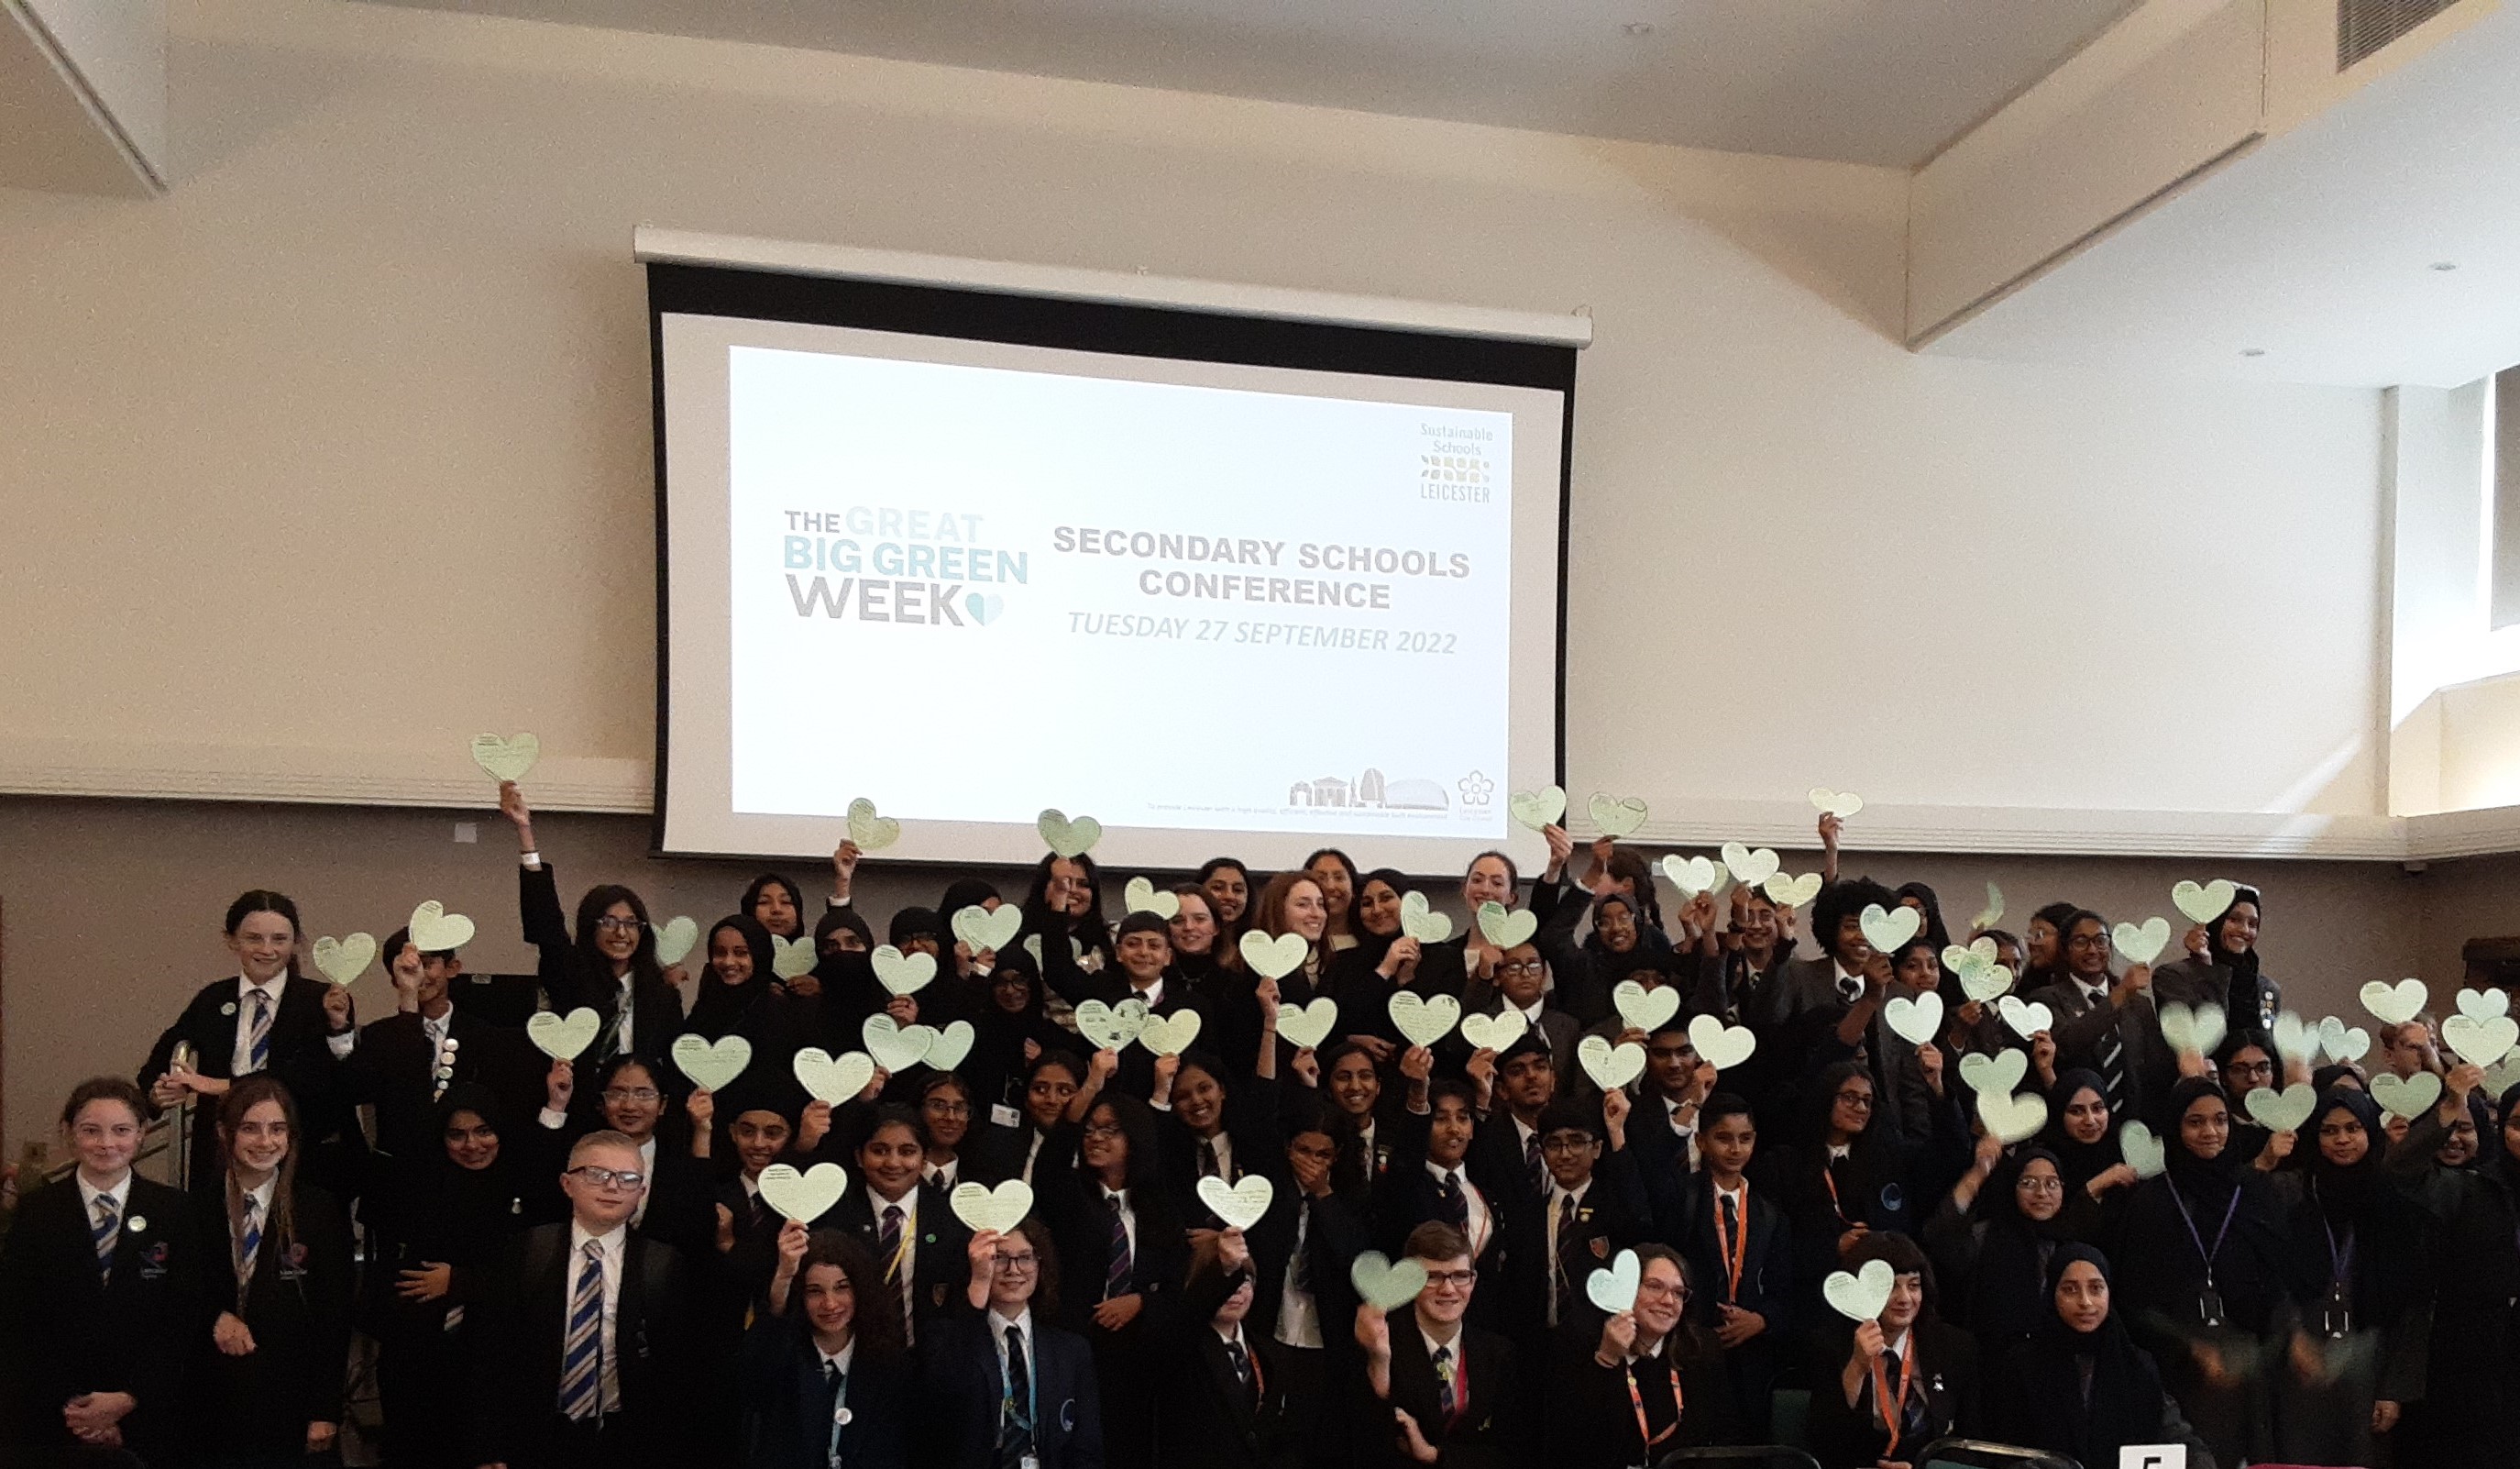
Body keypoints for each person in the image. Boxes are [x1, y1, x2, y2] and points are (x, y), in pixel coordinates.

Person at [467, 1128, 700, 1469]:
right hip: (532, 1435)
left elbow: (678, 1373)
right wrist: (486, 1447)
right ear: (567, 1183)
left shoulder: (663, 1264)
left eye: (628, 1178)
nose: (612, 1186)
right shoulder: (527, 1251)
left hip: (625, 1438)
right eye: (596, 1174)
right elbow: (486, 1354)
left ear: (642, 1191)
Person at [0, 1077, 204, 1464]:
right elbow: (19, 1319)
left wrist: (127, 1399)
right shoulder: (38, 1212)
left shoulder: (173, 1211)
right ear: (68, 1134)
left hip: (146, 1412)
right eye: (91, 1131)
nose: (106, 1143)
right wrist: (82, 1412)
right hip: (55, 1415)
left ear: (143, 1133)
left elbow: (181, 1317)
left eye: (121, 1130)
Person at [2107, 1077, 2286, 1465]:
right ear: (2175, 1127)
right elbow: (2131, 1300)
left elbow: (2277, 1280)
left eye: (2221, 1120)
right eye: (2196, 1122)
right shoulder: (2150, 1203)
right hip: (2177, 1370)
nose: (2211, 1132)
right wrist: (2186, 1346)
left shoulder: (2254, 1193)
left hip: (2246, 1366)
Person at [141, 889, 352, 1193]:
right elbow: (159, 1063)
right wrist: (160, 1092)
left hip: (300, 1155)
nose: (267, 950)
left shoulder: (323, 1001)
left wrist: (220, 1085)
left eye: (279, 939)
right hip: (220, 1156)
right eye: (254, 938)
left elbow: (311, 1077)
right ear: (232, 940)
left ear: (296, 944)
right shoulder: (212, 1000)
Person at [373, 1085, 531, 1469]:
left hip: (498, 1365)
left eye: (483, 1131)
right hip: (420, 1361)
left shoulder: (525, 1188)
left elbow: (531, 1278)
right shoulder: (416, 1187)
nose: (471, 1145)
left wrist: (459, 1281)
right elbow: (395, 1276)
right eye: (457, 1134)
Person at [2269, 1086, 2428, 1464]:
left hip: (2368, 1361)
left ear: (2371, 1131)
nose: (2342, 1140)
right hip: (2303, 1359)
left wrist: (2393, 1391)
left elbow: (2412, 1304)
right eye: (2329, 1130)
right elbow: (2270, 1282)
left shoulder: (2392, 1205)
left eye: (2353, 1128)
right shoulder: (2295, 1197)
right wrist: (2291, 1336)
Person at [201, 1075, 355, 1467]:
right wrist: (214, 1317)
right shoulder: (196, 1208)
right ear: (224, 1133)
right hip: (213, 1400)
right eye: (250, 1129)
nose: (265, 1142)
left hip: (292, 1400)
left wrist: (325, 1409)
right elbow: (181, 1295)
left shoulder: (318, 1209)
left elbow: (334, 1316)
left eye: (277, 1129)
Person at [1035, 1087, 1181, 1469]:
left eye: (1109, 1130)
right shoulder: (1070, 1194)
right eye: (1090, 1130)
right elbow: (1049, 1164)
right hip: (1073, 1344)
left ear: (1134, 1140)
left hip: (1134, 1354)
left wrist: (1141, 1303)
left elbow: (1177, 1286)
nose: (1095, 1138)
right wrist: (1095, 1080)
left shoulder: (1155, 1206)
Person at [2382, 1065, 2518, 1468]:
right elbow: (2402, 1170)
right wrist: (2451, 1104)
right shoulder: (2472, 1188)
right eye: (2517, 1123)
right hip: (2471, 1363)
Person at [501, 783, 680, 1072]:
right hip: (578, 1098)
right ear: (590, 928)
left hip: (637, 1105)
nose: (621, 933)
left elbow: (671, 1060)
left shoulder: (661, 992)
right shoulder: (570, 975)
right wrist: (525, 832)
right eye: (609, 922)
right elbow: (546, 924)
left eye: (631, 923)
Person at [1988, 1245, 2217, 1469]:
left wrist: (2197, 1460)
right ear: (2051, 1294)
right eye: (2070, 1289)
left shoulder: (2136, 1364)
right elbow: (2002, 1451)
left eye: (2096, 1288)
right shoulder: (2023, 1363)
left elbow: (2176, 1436)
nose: (2085, 1302)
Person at [1657, 1092, 1791, 1437]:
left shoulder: (1769, 1213)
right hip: (1692, 1345)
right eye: (1723, 1138)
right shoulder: (1683, 1198)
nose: (1735, 1149)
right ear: (1701, 1141)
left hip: (1750, 1356)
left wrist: (1761, 1320)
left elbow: (1785, 1289)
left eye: (1744, 1139)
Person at [921, 1219, 1103, 1469]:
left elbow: (1086, 1447)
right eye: (999, 1258)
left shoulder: (1070, 1351)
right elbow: (947, 1392)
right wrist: (979, 1286)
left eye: (1026, 1257)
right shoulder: (947, 1339)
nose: (1014, 1270)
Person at [1352, 1220, 1526, 1466]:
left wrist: (1435, 1456)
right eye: (1432, 1277)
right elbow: (1360, 1447)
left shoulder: (1498, 1354)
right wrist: (1379, 1364)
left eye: (1460, 1276)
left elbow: (1511, 1454)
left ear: (1473, 1281)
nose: (1448, 1289)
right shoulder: (1379, 1343)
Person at [1550, 1245, 1736, 1465]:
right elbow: (1571, 1445)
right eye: (1655, 1287)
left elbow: (1725, 1437)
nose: (1669, 1301)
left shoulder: (1701, 1349)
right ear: (1626, 1289)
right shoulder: (1580, 1342)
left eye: (1678, 1293)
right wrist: (1607, 1360)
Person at [742, 1225, 908, 1469]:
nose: (830, 1304)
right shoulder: (781, 1356)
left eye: (842, 1288)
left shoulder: (887, 1363)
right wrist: (784, 1277)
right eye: (814, 1291)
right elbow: (752, 1379)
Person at [1807, 1232, 1978, 1468]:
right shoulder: (1830, 1345)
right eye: (1891, 1288)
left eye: (1914, 1286)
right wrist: (1857, 1367)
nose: (1905, 1298)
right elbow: (1824, 1444)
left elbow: (1971, 1442)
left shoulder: (1954, 1345)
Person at [814, 1106, 972, 1346]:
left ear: (924, 1159)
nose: (893, 1162)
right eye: (880, 1150)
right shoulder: (834, 1216)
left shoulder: (950, 1218)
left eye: (907, 1151)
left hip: (929, 1360)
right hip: (853, 1356)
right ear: (859, 1156)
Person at [1925, 1143, 2082, 1360]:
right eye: (2029, 1183)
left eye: (2052, 1183)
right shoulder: (1987, 1236)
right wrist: (1978, 1173)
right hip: (1993, 1362)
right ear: (2012, 1187)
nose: (2042, 1193)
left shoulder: (2071, 1244)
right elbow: (1940, 1239)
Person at [1158, 1230, 1296, 1469]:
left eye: (1246, 1281)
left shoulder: (1270, 1353)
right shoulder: (1181, 1345)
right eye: (1230, 1281)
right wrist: (1224, 1268)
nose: (1237, 1292)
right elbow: (1190, 1316)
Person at [2156, 885, 2278, 1034]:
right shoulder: (2174, 976)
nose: (2245, 930)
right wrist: (2205, 966)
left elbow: (2268, 1047)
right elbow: (2199, 1036)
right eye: (2234, 919)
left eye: (2252, 924)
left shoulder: (2267, 989)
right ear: (2215, 921)